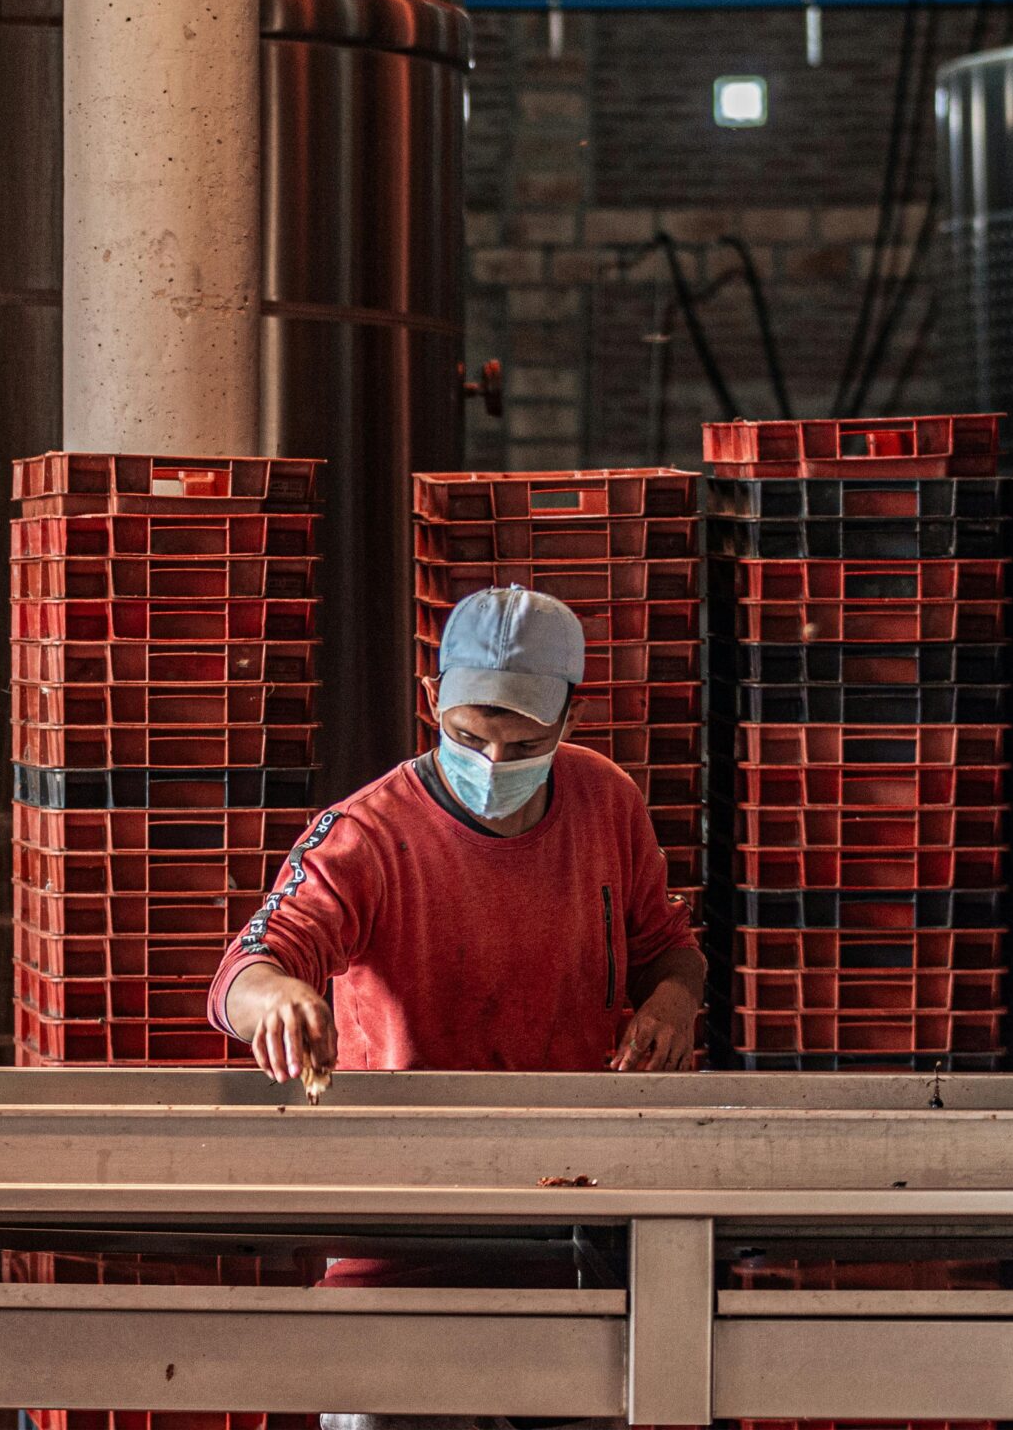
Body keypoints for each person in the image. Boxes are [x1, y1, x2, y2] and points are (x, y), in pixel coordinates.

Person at [207, 585, 707, 1430]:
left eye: (524, 742)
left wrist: (671, 1003)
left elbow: (672, 949)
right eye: (470, 736)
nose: (494, 762)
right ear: (433, 699)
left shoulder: (605, 803)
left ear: (568, 718)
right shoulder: (366, 836)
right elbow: (246, 971)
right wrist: (281, 998)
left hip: (576, 1221)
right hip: (404, 1235)